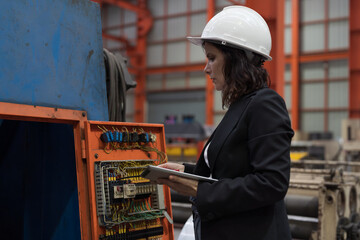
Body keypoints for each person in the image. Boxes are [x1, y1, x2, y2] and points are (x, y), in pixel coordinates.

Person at [157, 6, 294, 240]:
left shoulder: (265, 104)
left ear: (235, 59)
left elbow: (272, 183)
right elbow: (226, 172)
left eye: (212, 58)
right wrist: (185, 172)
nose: (206, 67)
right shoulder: (240, 106)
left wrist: (200, 191)